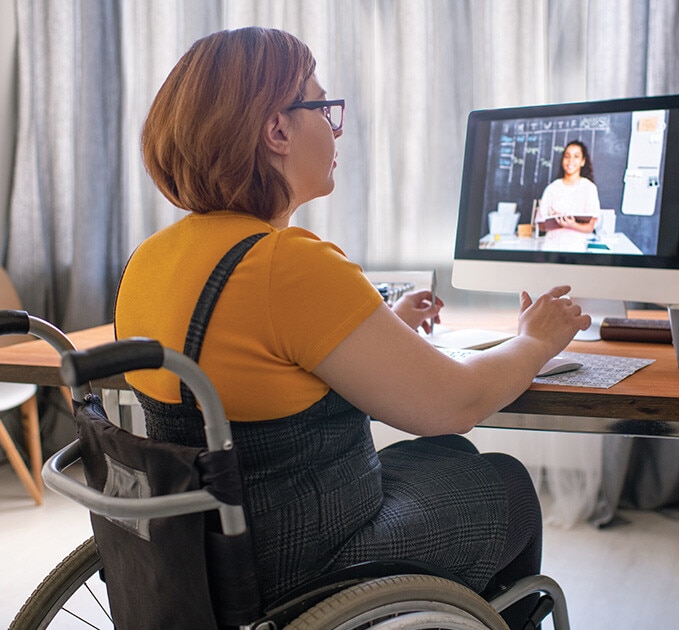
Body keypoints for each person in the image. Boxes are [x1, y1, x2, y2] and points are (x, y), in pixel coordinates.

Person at [114, 27, 591, 628]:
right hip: (309, 560)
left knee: (447, 458)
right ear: (278, 130)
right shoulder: (287, 262)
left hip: (198, 555)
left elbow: (252, 366)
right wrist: (534, 341)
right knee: (505, 481)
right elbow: (456, 402)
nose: (336, 129)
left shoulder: (147, 260)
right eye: (323, 107)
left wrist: (380, 329)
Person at [536, 140, 601, 252]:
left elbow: (590, 227)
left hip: (576, 249)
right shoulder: (552, 188)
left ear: (583, 161)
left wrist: (572, 224)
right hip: (550, 248)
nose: (570, 160)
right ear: (562, 160)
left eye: (576, 156)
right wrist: (554, 221)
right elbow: (542, 226)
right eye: (567, 156)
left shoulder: (589, 188)